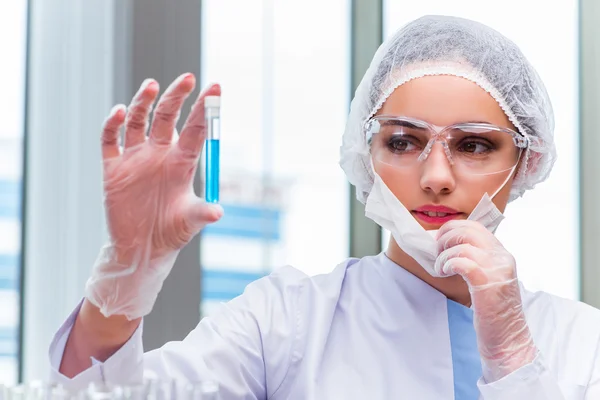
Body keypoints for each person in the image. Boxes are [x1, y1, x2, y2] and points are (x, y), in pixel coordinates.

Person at [49, 15, 600, 399]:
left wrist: (516, 362)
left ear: (526, 160)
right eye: (403, 142)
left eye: (474, 144)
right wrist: (125, 277)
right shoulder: (285, 324)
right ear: (366, 153)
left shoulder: (582, 344)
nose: (436, 178)